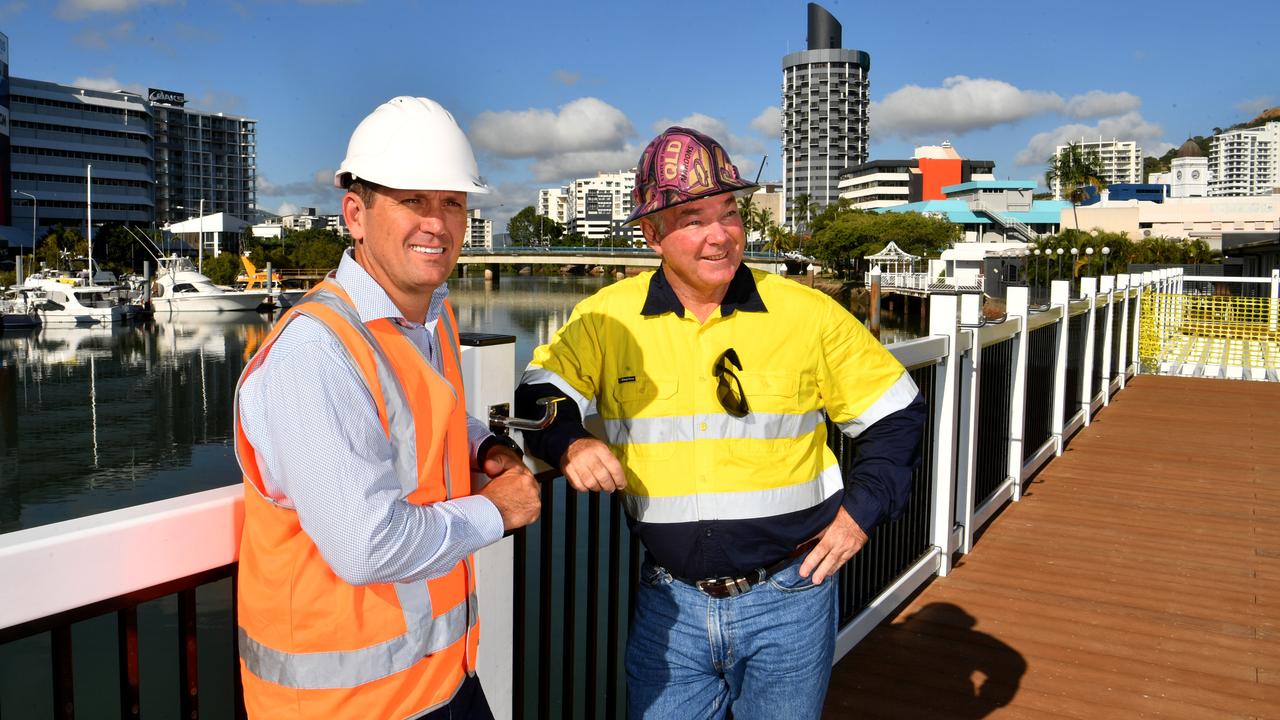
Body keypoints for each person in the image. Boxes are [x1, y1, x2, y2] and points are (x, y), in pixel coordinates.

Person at [515, 126, 926, 719]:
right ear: (652, 234)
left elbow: (896, 412)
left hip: (791, 595)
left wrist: (861, 516)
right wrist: (571, 442)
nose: (720, 236)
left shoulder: (805, 314)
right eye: (693, 219)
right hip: (669, 604)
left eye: (729, 213)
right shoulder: (606, 318)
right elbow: (540, 393)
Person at [234, 96, 541, 720]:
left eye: (451, 202)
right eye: (412, 201)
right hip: (343, 705)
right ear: (355, 213)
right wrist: (495, 512)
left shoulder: (429, 313)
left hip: (442, 680)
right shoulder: (317, 349)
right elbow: (366, 545)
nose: (437, 222)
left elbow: (431, 416)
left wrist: (486, 447)